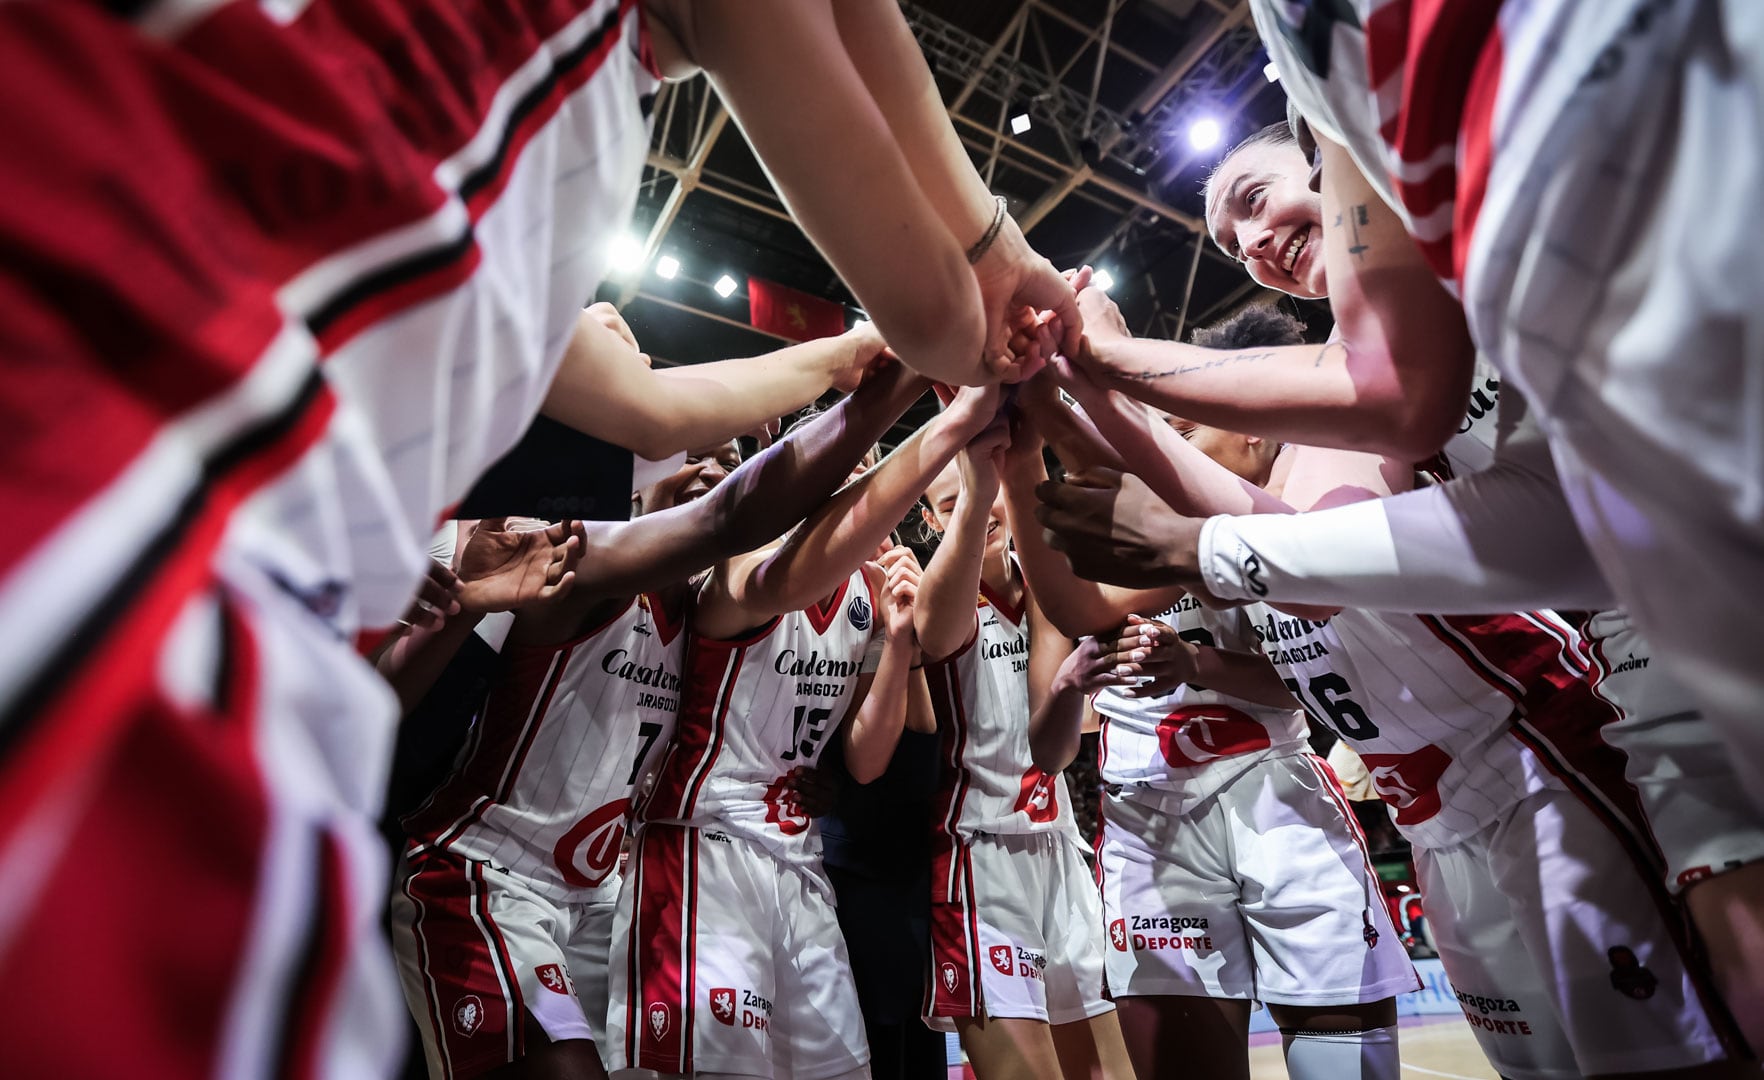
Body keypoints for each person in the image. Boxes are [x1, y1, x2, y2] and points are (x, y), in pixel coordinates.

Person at [0, 0, 1080, 1068]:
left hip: (582, 865)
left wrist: (897, 350)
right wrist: (953, 326)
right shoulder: (583, 545)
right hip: (440, 819)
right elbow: (764, 402)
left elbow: (662, 415)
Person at [1033, 341, 1752, 1079]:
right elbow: (1080, 601)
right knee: (1542, 1069)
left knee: (1658, 1056)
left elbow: (1299, 574)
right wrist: (1032, 402)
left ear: (1248, 421)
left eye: (1183, 431)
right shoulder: (1229, 529)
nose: (1163, 458)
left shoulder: (1329, 442)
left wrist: (1099, 378)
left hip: (1535, 766)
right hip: (1433, 822)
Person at [996, 369, 1414, 1080]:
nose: (1163, 443)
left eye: (1180, 428)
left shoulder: (1262, 513)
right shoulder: (1067, 551)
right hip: (1147, 813)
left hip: (1276, 794)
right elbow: (1051, 724)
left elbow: (1310, 686)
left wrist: (1198, 664)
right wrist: (1017, 438)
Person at [610, 385, 1009, 1078]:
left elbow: (864, 761)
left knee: (844, 1069)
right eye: (851, 475)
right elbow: (776, 583)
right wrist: (950, 429)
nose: (866, 495)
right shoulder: (742, 562)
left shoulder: (863, 597)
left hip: (800, 861)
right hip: (704, 846)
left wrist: (897, 646)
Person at [911, 435, 1132, 1079]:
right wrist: (980, 489)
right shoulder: (936, 593)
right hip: (976, 858)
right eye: (948, 507)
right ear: (930, 520)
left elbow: (1058, 746)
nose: (971, 517)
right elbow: (937, 633)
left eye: (982, 501)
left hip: (1058, 847)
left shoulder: (1047, 590)